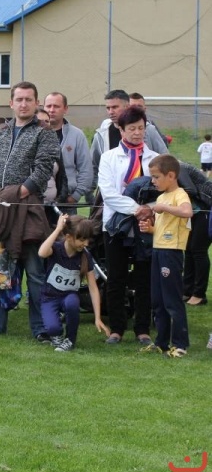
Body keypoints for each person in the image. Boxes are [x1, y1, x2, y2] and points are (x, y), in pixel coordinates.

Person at [0, 82, 59, 341]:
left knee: (35, 273)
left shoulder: (44, 134)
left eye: (28, 99)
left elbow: (43, 170)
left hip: (28, 211)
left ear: (36, 103)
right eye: (19, 99)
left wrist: (17, 193)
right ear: (11, 103)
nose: (23, 104)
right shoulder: (0, 134)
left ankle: (41, 329)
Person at [96, 105, 157, 346]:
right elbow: (109, 194)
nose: (137, 133)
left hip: (146, 224)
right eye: (131, 128)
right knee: (116, 277)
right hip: (115, 225)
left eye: (141, 128)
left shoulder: (154, 159)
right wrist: (136, 209)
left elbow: (162, 193)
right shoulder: (108, 157)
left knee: (144, 277)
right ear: (121, 130)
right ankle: (117, 328)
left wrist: (148, 209)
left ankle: (142, 329)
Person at [138, 154, 192, 357]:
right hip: (158, 250)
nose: (153, 181)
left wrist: (163, 208)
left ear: (171, 175)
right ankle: (161, 343)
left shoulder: (180, 194)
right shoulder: (161, 197)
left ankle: (180, 345)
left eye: (156, 177)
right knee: (158, 300)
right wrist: (150, 229)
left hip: (172, 253)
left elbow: (187, 212)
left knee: (172, 300)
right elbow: (162, 228)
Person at [37, 214, 110, 352]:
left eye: (87, 240)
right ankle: (57, 335)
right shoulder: (56, 249)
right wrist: (58, 229)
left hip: (69, 296)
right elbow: (41, 253)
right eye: (82, 240)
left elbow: (93, 288)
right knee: (52, 328)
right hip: (49, 297)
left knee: (72, 302)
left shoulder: (85, 256)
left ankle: (70, 340)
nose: (86, 244)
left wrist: (98, 317)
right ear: (69, 237)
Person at [90, 89, 168, 197]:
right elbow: (94, 165)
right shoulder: (101, 135)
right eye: (108, 108)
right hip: (115, 196)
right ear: (122, 131)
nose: (111, 112)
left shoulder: (149, 130)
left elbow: (165, 159)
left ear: (127, 106)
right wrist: (90, 191)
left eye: (115, 107)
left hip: (147, 196)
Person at [42, 92, 92, 213]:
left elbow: (86, 169)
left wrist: (75, 196)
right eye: (48, 106)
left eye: (56, 106)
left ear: (65, 109)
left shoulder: (77, 135)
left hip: (67, 202)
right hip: (38, 200)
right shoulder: (34, 134)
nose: (51, 110)